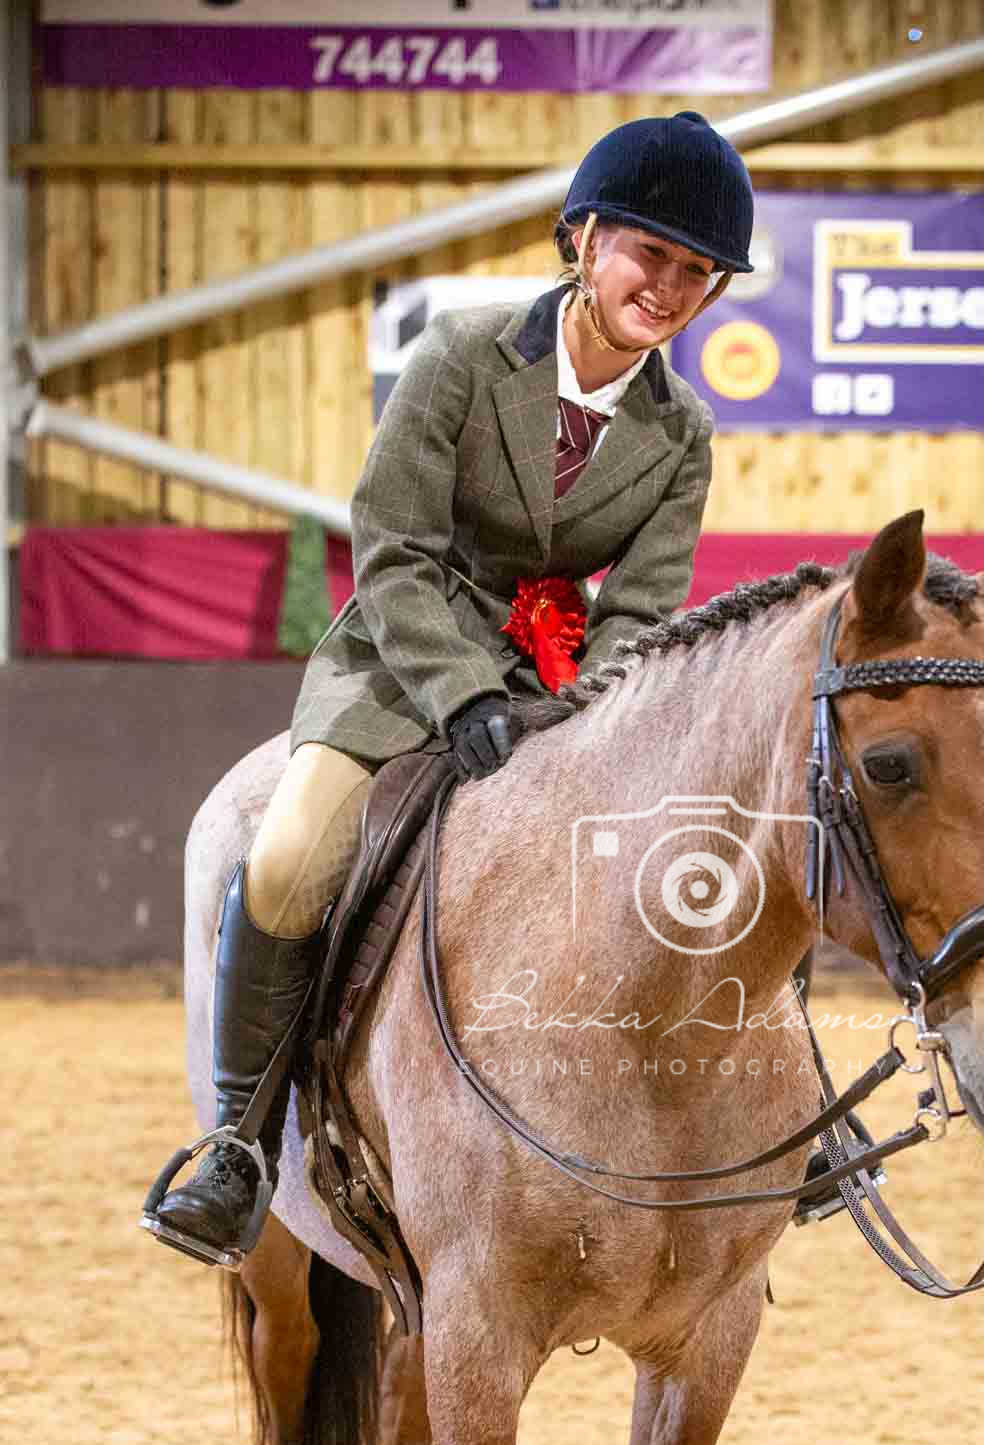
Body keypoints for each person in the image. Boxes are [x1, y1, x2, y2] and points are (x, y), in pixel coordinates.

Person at [142, 111, 754, 1267]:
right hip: (400, 655)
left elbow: (643, 603)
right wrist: (467, 691)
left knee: (707, 843)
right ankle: (237, 1146)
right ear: (583, 239)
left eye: (694, 271)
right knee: (285, 859)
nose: (667, 287)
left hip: (563, 685)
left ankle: (762, 1127)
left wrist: (589, 720)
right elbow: (395, 544)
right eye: (648, 256)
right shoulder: (462, 357)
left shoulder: (682, 430)